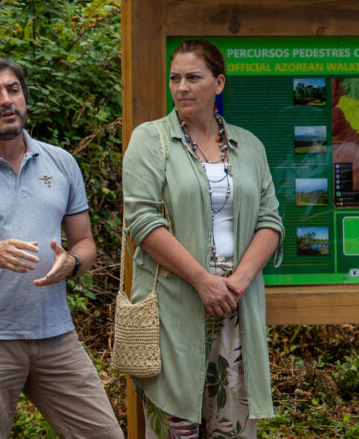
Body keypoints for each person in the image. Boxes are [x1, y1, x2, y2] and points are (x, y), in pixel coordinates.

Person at [0, 57, 123, 439]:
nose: (6, 100)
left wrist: (74, 262)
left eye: (13, 90)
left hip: (56, 336)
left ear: (25, 99)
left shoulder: (61, 162)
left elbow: (85, 243)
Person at [121, 39, 284, 439]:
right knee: (176, 424)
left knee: (233, 427)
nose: (182, 88)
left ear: (219, 83)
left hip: (237, 306)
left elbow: (271, 221)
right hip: (176, 304)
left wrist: (237, 283)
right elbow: (141, 221)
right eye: (175, 78)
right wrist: (202, 280)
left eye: (194, 77)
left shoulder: (249, 146)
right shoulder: (150, 140)